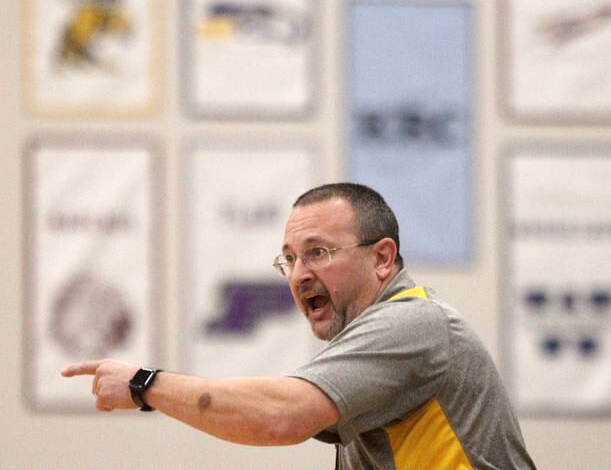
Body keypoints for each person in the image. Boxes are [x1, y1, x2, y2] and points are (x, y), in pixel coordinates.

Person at [62, 183, 536, 469]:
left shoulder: (411, 324)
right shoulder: (376, 333)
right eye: (288, 259)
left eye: (318, 252)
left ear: (383, 258)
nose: (299, 274)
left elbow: (279, 416)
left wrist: (146, 385)